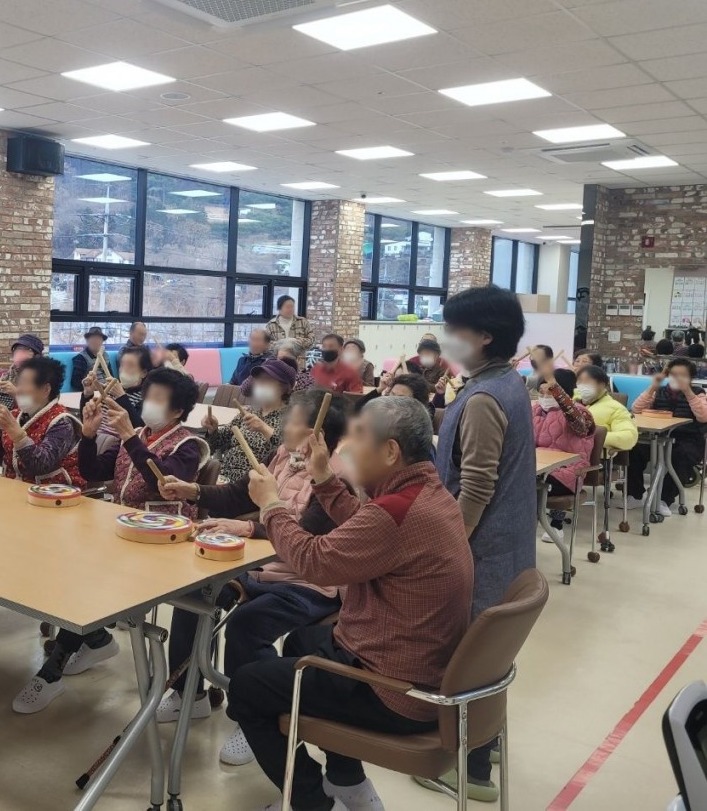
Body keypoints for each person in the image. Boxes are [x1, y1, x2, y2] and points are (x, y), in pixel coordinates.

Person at [229, 397, 473, 811]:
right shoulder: (428, 494)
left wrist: (270, 506)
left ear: (391, 451)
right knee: (302, 642)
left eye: (358, 438)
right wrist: (324, 477)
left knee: (247, 688)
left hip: (393, 689)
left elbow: (314, 561)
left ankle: (312, 802)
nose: (345, 448)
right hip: (418, 665)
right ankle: (347, 781)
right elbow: (362, 523)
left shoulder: (396, 512)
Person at [154, 391, 347, 765]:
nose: (283, 425)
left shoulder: (336, 479)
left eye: (292, 420)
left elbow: (303, 536)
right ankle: (189, 693)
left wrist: (245, 527)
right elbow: (238, 493)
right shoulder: (284, 457)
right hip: (264, 570)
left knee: (247, 625)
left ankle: (256, 715)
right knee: (194, 593)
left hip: (310, 583)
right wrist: (192, 490)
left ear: (315, 434)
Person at [12, 368, 208, 714]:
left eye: (158, 399)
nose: (148, 404)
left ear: (178, 410)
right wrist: (88, 436)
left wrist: (130, 437)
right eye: (148, 396)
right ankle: (94, 640)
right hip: (122, 534)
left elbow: (162, 481)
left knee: (90, 580)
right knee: (65, 564)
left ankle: (54, 668)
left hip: (164, 544)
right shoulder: (138, 435)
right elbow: (94, 472)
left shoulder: (188, 445)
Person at [423, 284, 534, 802]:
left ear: (484, 336)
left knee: (470, 654)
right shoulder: (506, 381)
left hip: (482, 548)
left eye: (454, 330)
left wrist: (451, 544)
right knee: (487, 654)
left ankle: (471, 771)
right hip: (505, 545)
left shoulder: (486, 398)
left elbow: (477, 487)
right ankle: (482, 749)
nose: (446, 338)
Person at [0, 356, 83, 486]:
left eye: (25, 384)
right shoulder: (16, 415)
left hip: (53, 493)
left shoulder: (62, 422)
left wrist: (15, 431)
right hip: (14, 489)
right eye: (19, 383)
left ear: (45, 390)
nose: (18, 389)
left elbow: (41, 465)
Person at [627, 358, 707, 517]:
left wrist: (688, 392)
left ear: (690, 377)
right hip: (657, 435)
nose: (677, 378)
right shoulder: (660, 391)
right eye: (673, 374)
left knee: (684, 455)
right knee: (634, 448)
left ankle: (664, 498)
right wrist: (653, 386)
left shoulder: (699, 393)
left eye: (682, 375)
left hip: (687, 437)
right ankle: (635, 494)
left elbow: (703, 416)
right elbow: (636, 409)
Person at [205, 359, 294, 483]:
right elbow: (217, 442)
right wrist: (212, 429)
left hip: (254, 482)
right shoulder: (251, 411)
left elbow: (290, 454)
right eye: (258, 380)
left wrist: (264, 429)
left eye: (267, 380)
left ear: (285, 388)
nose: (260, 385)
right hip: (223, 476)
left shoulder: (292, 417)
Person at [533, 368, 595, 544]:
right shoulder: (536, 410)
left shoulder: (581, 412)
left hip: (568, 471)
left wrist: (557, 391)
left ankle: (556, 524)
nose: (544, 396)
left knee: (528, 482)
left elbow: (580, 425)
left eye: (550, 392)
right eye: (541, 392)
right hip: (538, 466)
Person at [81, 343, 150, 429]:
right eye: (122, 365)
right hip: (95, 435)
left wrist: (121, 396)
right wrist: (88, 394)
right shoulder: (109, 390)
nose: (124, 369)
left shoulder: (145, 398)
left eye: (130, 365)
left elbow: (140, 428)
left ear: (144, 373)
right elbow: (87, 421)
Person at [576, 365, 638, 457]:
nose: (582, 387)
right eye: (579, 383)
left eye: (587, 382)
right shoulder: (571, 402)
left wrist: (594, 437)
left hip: (588, 458)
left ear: (602, 385)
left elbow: (629, 437)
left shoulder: (615, 408)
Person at [0, 333, 45, 410]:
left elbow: (37, 407)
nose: (20, 352)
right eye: (17, 349)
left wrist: (16, 393)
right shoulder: (3, 375)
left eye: (26, 349)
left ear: (37, 356)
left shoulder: (42, 379)